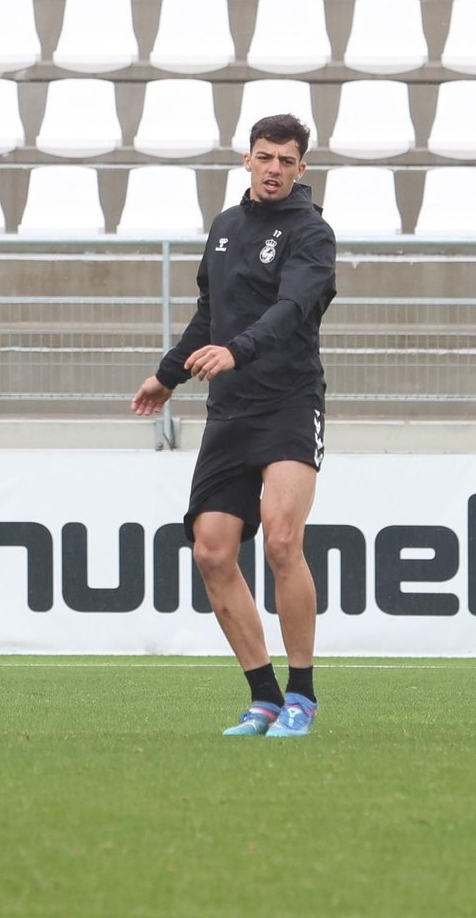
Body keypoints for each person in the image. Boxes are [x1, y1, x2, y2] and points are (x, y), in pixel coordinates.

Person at [131, 114, 337, 738]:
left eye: (286, 160)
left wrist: (237, 351)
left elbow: (291, 309)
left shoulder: (312, 233)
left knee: (281, 541)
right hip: (230, 409)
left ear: (301, 168)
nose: (274, 168)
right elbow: (209, 313)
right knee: (212, 550)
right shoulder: (225, 227)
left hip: (290, 402)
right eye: (264, 156)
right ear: (246, 159)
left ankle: (302, 695)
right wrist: (168, 375)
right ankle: (264, 696)